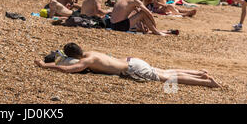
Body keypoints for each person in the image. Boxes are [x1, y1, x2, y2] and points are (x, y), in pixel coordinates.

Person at [34, 43, 221, 88]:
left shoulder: (87, 61)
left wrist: (44, 65)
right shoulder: (91, 53)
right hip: (132, 60)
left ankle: (206, 82)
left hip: (132, 69)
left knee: (167, 78)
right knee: (164, 71)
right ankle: (199, 73)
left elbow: (67, 69)